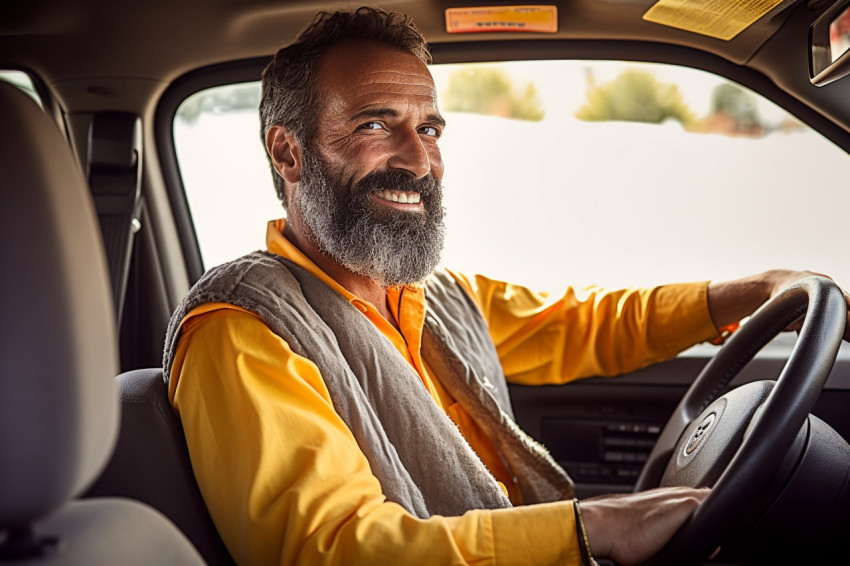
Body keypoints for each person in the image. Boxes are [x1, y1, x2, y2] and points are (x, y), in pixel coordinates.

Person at [164, 7, 850, 566]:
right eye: (376, 124)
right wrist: (591, 530)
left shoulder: (433, 298)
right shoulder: (244, 329)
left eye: (427, 127)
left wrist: (750, 293)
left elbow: (585, 325)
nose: (417, 158)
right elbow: (333, 550)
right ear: (288, 151)